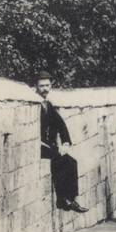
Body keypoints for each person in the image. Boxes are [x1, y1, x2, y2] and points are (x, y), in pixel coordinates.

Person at [36, 72, 88, 213]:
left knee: (71, 161)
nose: (45, 89)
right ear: (36, 87)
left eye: (47, 85)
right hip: (39, 147)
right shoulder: (36, 105)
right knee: (61, 161)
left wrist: (65, 143)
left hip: (50, 147)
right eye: (41, 86)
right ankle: (64, 200)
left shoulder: (48, 105)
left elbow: (61, 124)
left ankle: (70, 199)